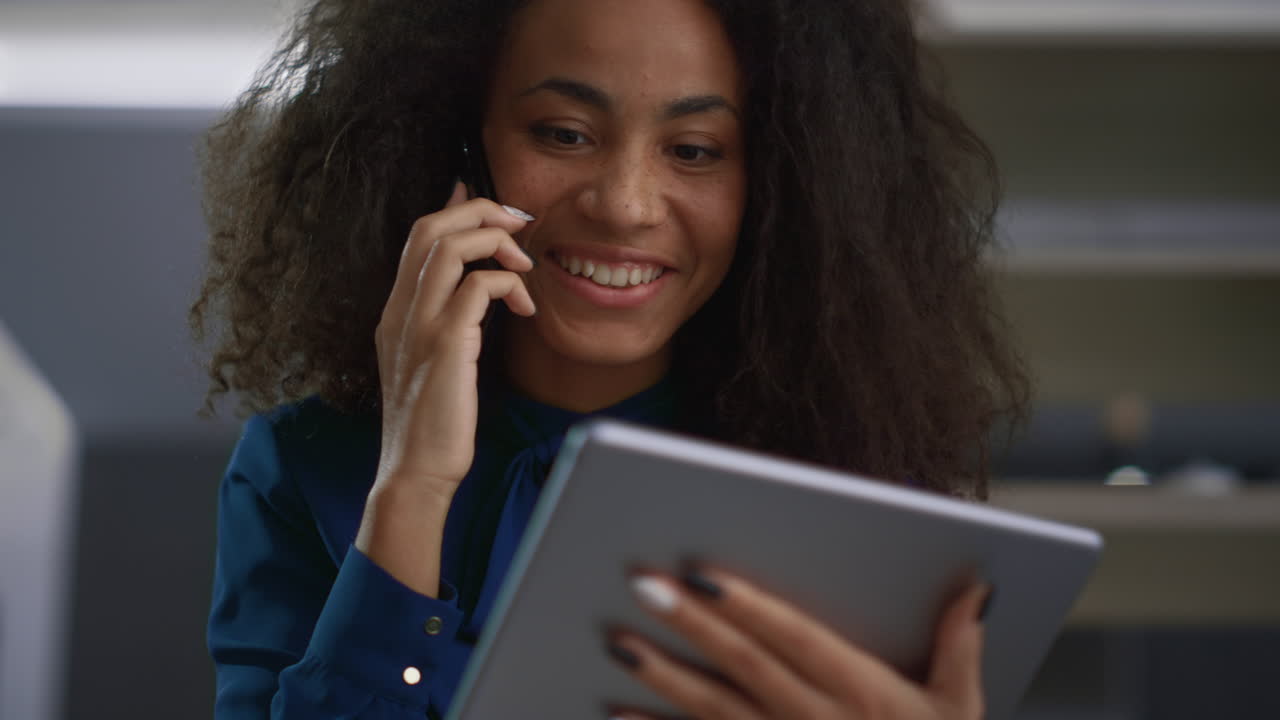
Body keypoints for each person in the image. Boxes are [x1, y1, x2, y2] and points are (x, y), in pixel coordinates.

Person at [192, 0, 1030, 717]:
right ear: (461, 140)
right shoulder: (301, 471)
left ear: (782, 183)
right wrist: (413, 487)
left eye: (695, 149)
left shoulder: (862, 496)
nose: (625, 205)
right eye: (564, 133)